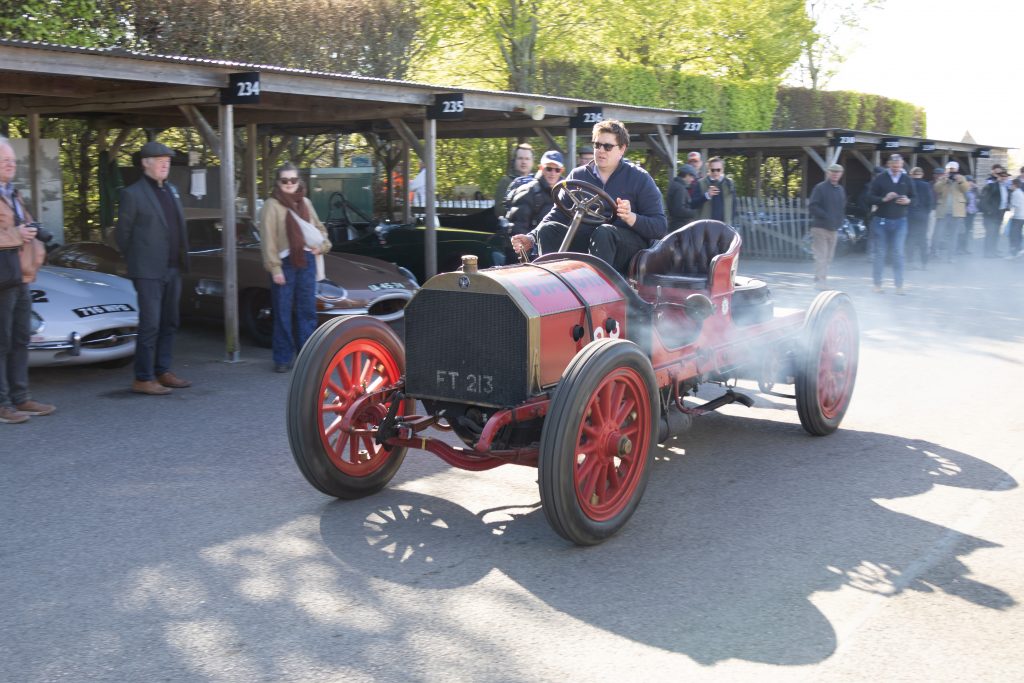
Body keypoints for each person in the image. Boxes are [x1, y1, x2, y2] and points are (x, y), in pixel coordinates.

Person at [510, 119, 667, 275]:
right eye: (597, 145)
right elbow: (557, 213)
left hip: (625, 247)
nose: (601, 150)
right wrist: (531, 238)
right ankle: (550, 282)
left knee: (604, 232)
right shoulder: (578, 175)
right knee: (548, 230)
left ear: (622, 149)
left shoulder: (639, 178)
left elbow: (659, 227)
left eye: (608, 146)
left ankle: (598, 289)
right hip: (589, 241)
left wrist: (631, 217)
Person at [115, 140, 192, 395]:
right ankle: (143, 377)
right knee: (150, 324)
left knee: (170, 322)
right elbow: (122, 236)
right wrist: (140, 261)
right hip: (147, 270)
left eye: (168, 161)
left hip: (172, 268)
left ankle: (162, 370)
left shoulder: (171, 190)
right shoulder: (132, 194)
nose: (165, 165)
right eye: (160, 161)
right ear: (145, 163)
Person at [0, 137, 53, 423]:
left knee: (21, 339)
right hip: (2, 279)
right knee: (2, 342)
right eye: (4, 160)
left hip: (21, 276)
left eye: (11, 160)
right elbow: (12, 234)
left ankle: (21, 398)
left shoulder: (14, 194)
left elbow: (25, 226)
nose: (10, 164)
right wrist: (16, 236)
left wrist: (33, 231)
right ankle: (2, 404)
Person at [259, 162, 331, 372]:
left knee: (307, 310)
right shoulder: (271, 205)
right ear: (278, 182)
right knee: (282, 311)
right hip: (284, 264)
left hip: (307, 260)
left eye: (293, 180)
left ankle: (306, 357)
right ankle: (282, 358)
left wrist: (323, 246)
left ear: (299, 181)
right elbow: (268, 239)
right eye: (284, 180)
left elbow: (319, 228)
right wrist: (275, 268)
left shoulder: (306, 202)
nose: (289, 184)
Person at [503, 150, 563, 262]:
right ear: (541, 168)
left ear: (561, 171)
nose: (552, 173)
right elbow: (518, 230)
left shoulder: (567, 193)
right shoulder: (528, 192)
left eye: (557, 169)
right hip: (535, 256)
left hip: (561, 253)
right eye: (548, 168)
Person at [867, 153, 914, 294]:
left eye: (898, 166)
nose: (895, 168)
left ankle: (899, 286)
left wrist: (908, 201)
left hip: (900, 221)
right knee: (880, 253)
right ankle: (877, 285)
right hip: (881, 220)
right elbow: (868, 198)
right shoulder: (880, 179)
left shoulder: (907, 179)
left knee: (898, 253)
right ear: (888, 164)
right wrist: (883, 199)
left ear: (902, 165)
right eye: (893, 166)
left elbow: (915, 198)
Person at [807, 163, 848, 290]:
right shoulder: (820, 188)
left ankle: (818, 279)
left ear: (841, 174)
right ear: (828, 173)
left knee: (828, 258)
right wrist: (826, 216)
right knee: (821, 256)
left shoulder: (840, 189)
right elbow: (813, 206)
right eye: (833, 172)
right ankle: (820, 283)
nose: (835, 174)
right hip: (820, 227)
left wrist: (839, 221)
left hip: (833, 229)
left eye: (838, 172)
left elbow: (842, 207)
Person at [931, 160, 968, 263]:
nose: (952, 171)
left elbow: (965, 189)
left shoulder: (962, 178)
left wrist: (960, 181)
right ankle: (934, 253)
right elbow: (936, 189)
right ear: (946, 170)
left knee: (953, 235)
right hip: (943, 211)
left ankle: (951, 256)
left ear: (957, 170)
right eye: (949, 169)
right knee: (938, 234)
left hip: (956, 213)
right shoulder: (943, 178)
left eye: (953, 169)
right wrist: (944, 180)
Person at [493, 143, 534, 216]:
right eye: (520, 158)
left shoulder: (537, 182)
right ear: (514, 160)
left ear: (532, 162)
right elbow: (499, 211)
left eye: (527, 159)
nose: (524, 162)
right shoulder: (506, 182)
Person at [979, 165, 1011, 258]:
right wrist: (989, 211)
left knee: (996, 233)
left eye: (1005, 176)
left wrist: (1006, 208)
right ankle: (988, 253)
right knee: (990, 233)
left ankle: (994, 251)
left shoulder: (1005, 187)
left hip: (1000, 213)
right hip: (991, 214)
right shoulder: (991, 186)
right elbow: (984, 200)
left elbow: (1005, 199)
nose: (1005, 178)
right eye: (1003, 176)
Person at [692, 157, 735, 224]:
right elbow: (693, 204)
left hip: (724, 227)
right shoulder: (700, 183)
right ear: (708, 169)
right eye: (713, 170)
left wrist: (730, 221)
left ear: (722, 169)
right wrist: (706, 196)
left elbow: (733, 205)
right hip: (705, 227)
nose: (715, 172)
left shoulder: (729, 183)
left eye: (718, 170)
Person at [907, 167, 933, 269]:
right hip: (923, 216)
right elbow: (930, 201)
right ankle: (924, 263)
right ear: (921, 174)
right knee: (923, 239)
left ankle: (910, 262)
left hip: (910, 215)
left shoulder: (909, 184)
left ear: (911, 174)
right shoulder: (926, 185)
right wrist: (926, 213)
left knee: (911, 238)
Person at [665, 163, 698, 230]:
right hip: (679, 227)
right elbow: (679, 210)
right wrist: (696, 213)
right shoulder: (680, 188)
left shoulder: (674, 185)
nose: (692, 180)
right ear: (687, 175)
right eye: (692, 177)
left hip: (675, 226)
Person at [1007, 178, 1024, 258]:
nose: (1010, 186)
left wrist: (1011, 215)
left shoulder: (1015, 193)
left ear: (1015, 185)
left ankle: (1013, 253)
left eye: (1011, 184)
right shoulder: (1020, 192)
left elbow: (1014, 206)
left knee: (1013, 235)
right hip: (1021, 217)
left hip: (1017, 217)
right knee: (1018, 234)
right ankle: (1020, 249)